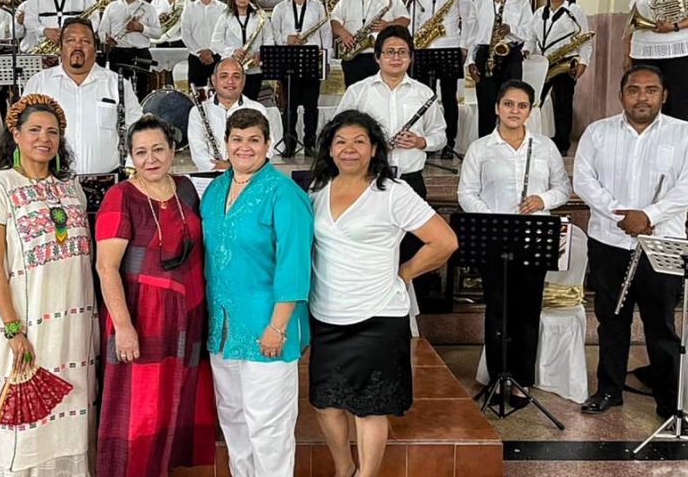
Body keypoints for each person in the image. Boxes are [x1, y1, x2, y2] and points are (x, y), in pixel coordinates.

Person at [308, 109, 457, 477]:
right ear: (329, 148)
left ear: (374, 148)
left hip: (377, 315)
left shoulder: (393, 192)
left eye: (360, 141)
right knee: (326, 402)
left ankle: (367, 474)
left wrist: (404, 273)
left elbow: (444, 241)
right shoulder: (317, 190)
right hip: (326, 312)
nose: (349, 149)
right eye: (340, 141)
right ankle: (344, 468)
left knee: (369, 407)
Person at [574, 66, 688, 425]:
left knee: (660, 325)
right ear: (622, 96)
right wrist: (621, 216)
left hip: (662, 244)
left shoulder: (685, 135)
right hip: (609, 241)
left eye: (650, 90)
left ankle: (667, 400)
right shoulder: (597, 133)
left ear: (664, 95)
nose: (642, 97)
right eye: (634, 90)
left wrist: (648, 215)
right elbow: (584, 180)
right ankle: (608, 390)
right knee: (610, 320)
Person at [0, 93, 97, 476]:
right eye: (34, 130)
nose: (44, 138)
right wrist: (13, 329)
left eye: (53, 132)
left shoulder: (71, 187)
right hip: (26, 324)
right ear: (15, 134)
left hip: (75, 324)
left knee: (73, 413)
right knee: (26, 421)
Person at [94, 115, 216, 477]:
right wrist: (124, 327)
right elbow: (106, 267)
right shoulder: (121, 197)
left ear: (173, 150)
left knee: (176, 400)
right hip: (141, 317)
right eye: (142, 152)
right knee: (139, 409)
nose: (151, 159)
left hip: (188, 314)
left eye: (158, 149)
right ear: (131, 156)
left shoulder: (185, 189)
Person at [200, 109, 313, 477]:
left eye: (253, 140)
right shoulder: (215, 190)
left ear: (268, 145)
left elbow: (294, 266)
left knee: (269, 427)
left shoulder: (284, 193)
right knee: (234, 421)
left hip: (268, 327)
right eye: (237, 139)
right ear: (226, 143)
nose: (244, 147)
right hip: (223, 328)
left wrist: (278, 327)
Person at [457, 80, 571, 405]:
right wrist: (493, 217)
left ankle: (521, 380)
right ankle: (497, 377)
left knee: (527, 310)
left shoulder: (545, 147)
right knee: (497, 311)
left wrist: (542, 199)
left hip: (534, 237)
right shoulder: (481, 148)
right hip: (495, 236)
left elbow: (563, 188)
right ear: (497, 107)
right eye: (508, 104)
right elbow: (466, 193)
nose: (514, 111)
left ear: (531, 110)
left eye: (522, 106)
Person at [336, 26, 446, 313]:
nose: (395, 58)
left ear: (410, 58)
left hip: (410, 182)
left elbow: (441, 135)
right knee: (374, 252)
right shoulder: (358, 92)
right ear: (377, 57)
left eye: (402, 53)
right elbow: (337, 132)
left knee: (411, 251)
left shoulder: (425, 94)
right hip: (368, 181)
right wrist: (370, 143)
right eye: (389, 52)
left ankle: (408, 319)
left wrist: (421, 141)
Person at [21, 17, 143, 173]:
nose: (77, 46)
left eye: (85, 41)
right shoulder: (40, 83)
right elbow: (24, 131)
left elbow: (139, 130)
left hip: (107, 183)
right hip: (51, 183)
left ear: (95, 47)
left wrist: (131, 169)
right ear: (60, 47)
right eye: (70, 40)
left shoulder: (117, 84)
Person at [409, 0, 473, 159]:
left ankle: (449, 142)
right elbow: (414, 21)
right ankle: (426, 142)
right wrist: (413, 46)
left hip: (449, 45)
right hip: (424, 48)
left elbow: (469, 17)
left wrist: (464, 45)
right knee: (424, 97)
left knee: (449, 98)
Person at [465, 0, 533, 138]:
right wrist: (470, 61)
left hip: (511, 53)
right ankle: (485, 145)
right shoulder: (479, 2)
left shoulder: (522, 1)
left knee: (511, 100)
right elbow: (471, 35)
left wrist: (511, 29)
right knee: (486, 104)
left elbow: (529, 32)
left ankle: (511, 139)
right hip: (484, 53)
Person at [526, 0, 593, 156]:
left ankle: (562, 143)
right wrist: (526, 50)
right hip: (542, 63)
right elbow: (531, 37)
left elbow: (584, 39)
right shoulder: (539, 13)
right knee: (535, 101)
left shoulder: (575, 10)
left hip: (565, 62)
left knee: (563, 103)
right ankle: (536, 136)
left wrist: (584, 61)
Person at [271, 0, 332, 157]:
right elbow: (273, 35)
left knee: (310, 107)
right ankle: (289, 143)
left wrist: (326, 60)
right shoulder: (279, 8)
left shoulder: (318, 7)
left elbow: (326, 35)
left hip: (312, 60)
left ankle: (309, 144)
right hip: (287, 61)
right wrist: (286, 39)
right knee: (289, 107)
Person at [187, 57, 281, 171]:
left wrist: (233, 168)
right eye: (224, 76)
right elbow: (198, 152)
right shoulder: (197, 111)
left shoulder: (257, 108)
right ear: (213, 80)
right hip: (211, 177)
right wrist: (217, 171)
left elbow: (267, 147)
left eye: (236, 76)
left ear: (244, 80)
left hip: (250, 177)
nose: (230, 81)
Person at [331, 0, 409, 87]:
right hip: (354, 57)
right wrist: (344, 34)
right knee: (355, 98)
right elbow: (334, 20)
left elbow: (405, 20)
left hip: (381, 57)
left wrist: (388, 25)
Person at [97, 0, 161, 99]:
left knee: (142, 92)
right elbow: (101, 31)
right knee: (118, 92)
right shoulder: (111, 7)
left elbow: (158, 33)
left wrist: (141, 28)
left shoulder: (148, 8)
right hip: (118, 53)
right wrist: (106, 39)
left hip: (141, 54)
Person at [212, 0, 270, 102]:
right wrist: (232, 52)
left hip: (254, 69)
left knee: (251, 104)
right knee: (233, 103)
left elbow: (269, 40)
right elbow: (215, 43)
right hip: (232, 71)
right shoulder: (225, 17)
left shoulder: (261, 16)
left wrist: (261, 54)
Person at [180, 0, 229, 90]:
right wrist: (199, 52)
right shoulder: (189, 9)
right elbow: (185, 34)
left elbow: (227, 34)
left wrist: (211, 51)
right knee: (196, 94)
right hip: (196, 58)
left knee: (221, 91)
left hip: (218, 57)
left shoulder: (224, 9)